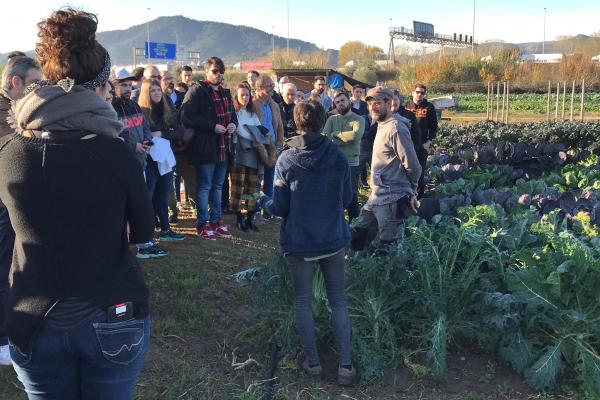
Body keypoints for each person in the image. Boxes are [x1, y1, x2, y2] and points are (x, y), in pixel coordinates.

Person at [0, 8, 153, 398]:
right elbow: (144, 231)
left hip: (33, 317)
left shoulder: (9, 152)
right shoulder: (116, 153)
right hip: (110, 309)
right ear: (101, 88)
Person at [258, 100, 356, 385]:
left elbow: (280, 208)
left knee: (303, 302)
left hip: (299, 244)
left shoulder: (287, 160)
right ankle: (346, 367)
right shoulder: (337, 156)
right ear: (323, 121)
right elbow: (347, 200)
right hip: (332, 240)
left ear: (296, 122)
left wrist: (263, 201)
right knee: (338, 300)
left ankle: (312, 364)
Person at [0, 52, 41, 366]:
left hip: (14, 204)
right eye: (34, 84)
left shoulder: (17, 110)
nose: (39, 90)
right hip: (4, 206)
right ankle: (3, 339)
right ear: (16, 82)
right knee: (4, 270)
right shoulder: (6, 118)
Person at [350, 87, 421, 253]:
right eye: (370, 104)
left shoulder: (395, 128)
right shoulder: (382, 125)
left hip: (392, 198)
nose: (373, 107)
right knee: (358, 235)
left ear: (388, 103)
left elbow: (413, 165)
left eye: (377, 103)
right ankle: (356, 272)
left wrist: (412, 191)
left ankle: (389, 278)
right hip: (376, 197)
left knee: (389, 249)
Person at [112, 69, 169, 259]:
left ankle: (144, 243)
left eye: (129, 85)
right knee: (123, 206)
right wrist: (133, 145)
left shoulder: (133, 105)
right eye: (123, 85)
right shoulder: (110, 108)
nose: (128, 88)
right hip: (122, 166)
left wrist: (145, 141)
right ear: (114, 86)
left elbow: (144, 126)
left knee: (139, 204)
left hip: (140, 163)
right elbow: (115, 134)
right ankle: (129, 245)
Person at [181, 57, 237, 240]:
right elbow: (186, 115)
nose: (218, 74)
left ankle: (216, 221)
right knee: (204, 186)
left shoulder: (226, 92)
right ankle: (203, 224)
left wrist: (233, 125)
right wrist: (212, 126)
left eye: (221, 71)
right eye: (214, 71)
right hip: (205, 146)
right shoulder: (197, 90)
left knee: (218, 186)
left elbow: (233, 116)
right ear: (207, 72)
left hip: (223, 147)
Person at [138, 79, 185, 242]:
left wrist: (162, 133)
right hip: (150, 160)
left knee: (164, 195)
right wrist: (151, 135)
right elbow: (141, 134)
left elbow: (178, 132)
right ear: (146, 93)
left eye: (158, 89)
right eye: (153, 90)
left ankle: (165, 229)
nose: (157, 93)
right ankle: (147, 233)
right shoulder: (141, 111)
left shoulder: (167, 109)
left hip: (165, 158)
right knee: (149, 195)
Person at [231, 84, 276, 231]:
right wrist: (255, 134)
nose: (244, 97)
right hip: (240, 154)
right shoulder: (234, 113)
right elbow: (241, 131)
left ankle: (250, 218)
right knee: (238, 188)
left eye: (247, 95)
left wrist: (255, 134)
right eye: (242, 94)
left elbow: (259, 131)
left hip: (254, 154)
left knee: (252, 188)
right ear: (237, 96)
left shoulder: (252, 113)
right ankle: (239, 218)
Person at [322, 90, 365, 222]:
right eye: (337, 102)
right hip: (334, 163)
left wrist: (336, 134)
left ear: (349, 101)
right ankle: (336, 225)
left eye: (342, 101)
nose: (340, 104)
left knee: (351, 196)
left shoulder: (359, 119)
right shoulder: (331, 119)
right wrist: (344, 138)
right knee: (335, 195)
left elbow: (355, 136)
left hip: (352, 163)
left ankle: (354, 227)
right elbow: (325, 139)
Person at [253, 75, 284, 218]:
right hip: (257, 147)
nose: (273, 88)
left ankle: (268, 211)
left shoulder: (275, 105)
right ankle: (255, 210)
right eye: (269, 85)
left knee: (270, 179)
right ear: (260, 88)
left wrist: (279, 144)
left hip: (272, 147)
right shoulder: (253, 104)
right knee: (256, 180)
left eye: (272, 85)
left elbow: (279, 127)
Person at [405, 84, 438, 197]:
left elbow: (434, 126)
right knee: (406, 171)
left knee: (420, 171)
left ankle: (419, 198)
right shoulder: (406, 105)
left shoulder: (429, 107)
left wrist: (428, 143)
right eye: (418, 92)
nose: (419, 94)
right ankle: (407, 196)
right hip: (406, 145)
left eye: (422, 93)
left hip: (422, 145)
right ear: (413, 92)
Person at [392, 90, 422, 156]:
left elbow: (416, 134)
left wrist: (414, 151)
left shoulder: (409, 115)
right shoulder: (382, 116)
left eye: (395, 99)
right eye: (390, 99)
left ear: (399, 100)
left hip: (406, 153)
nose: (393, 102)